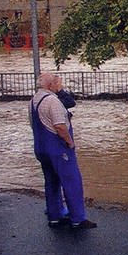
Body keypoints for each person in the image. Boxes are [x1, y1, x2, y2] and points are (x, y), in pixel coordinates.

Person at [30, 73, 96, 229]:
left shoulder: (33, 100)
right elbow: (59, 126)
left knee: (51, 182)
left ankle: (55, 215)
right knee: (72, 181)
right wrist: (69, 142)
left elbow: (33, 124)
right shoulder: (52, 101)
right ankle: (78, 219)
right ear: (51, 85)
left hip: (41, 148)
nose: (58, 85)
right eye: (57, 82)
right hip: (58, 148)